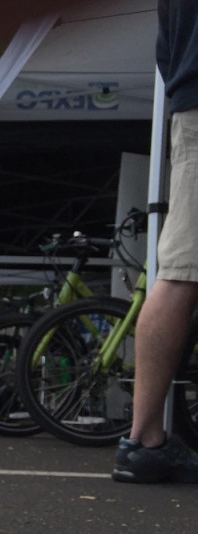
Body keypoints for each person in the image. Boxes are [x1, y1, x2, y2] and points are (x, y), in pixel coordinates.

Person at [113, 1, 198, 483]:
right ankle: (143, 439)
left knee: (181, 271)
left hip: (190, 99)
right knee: (181, 274)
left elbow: (164, 50)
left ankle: (144, 439)